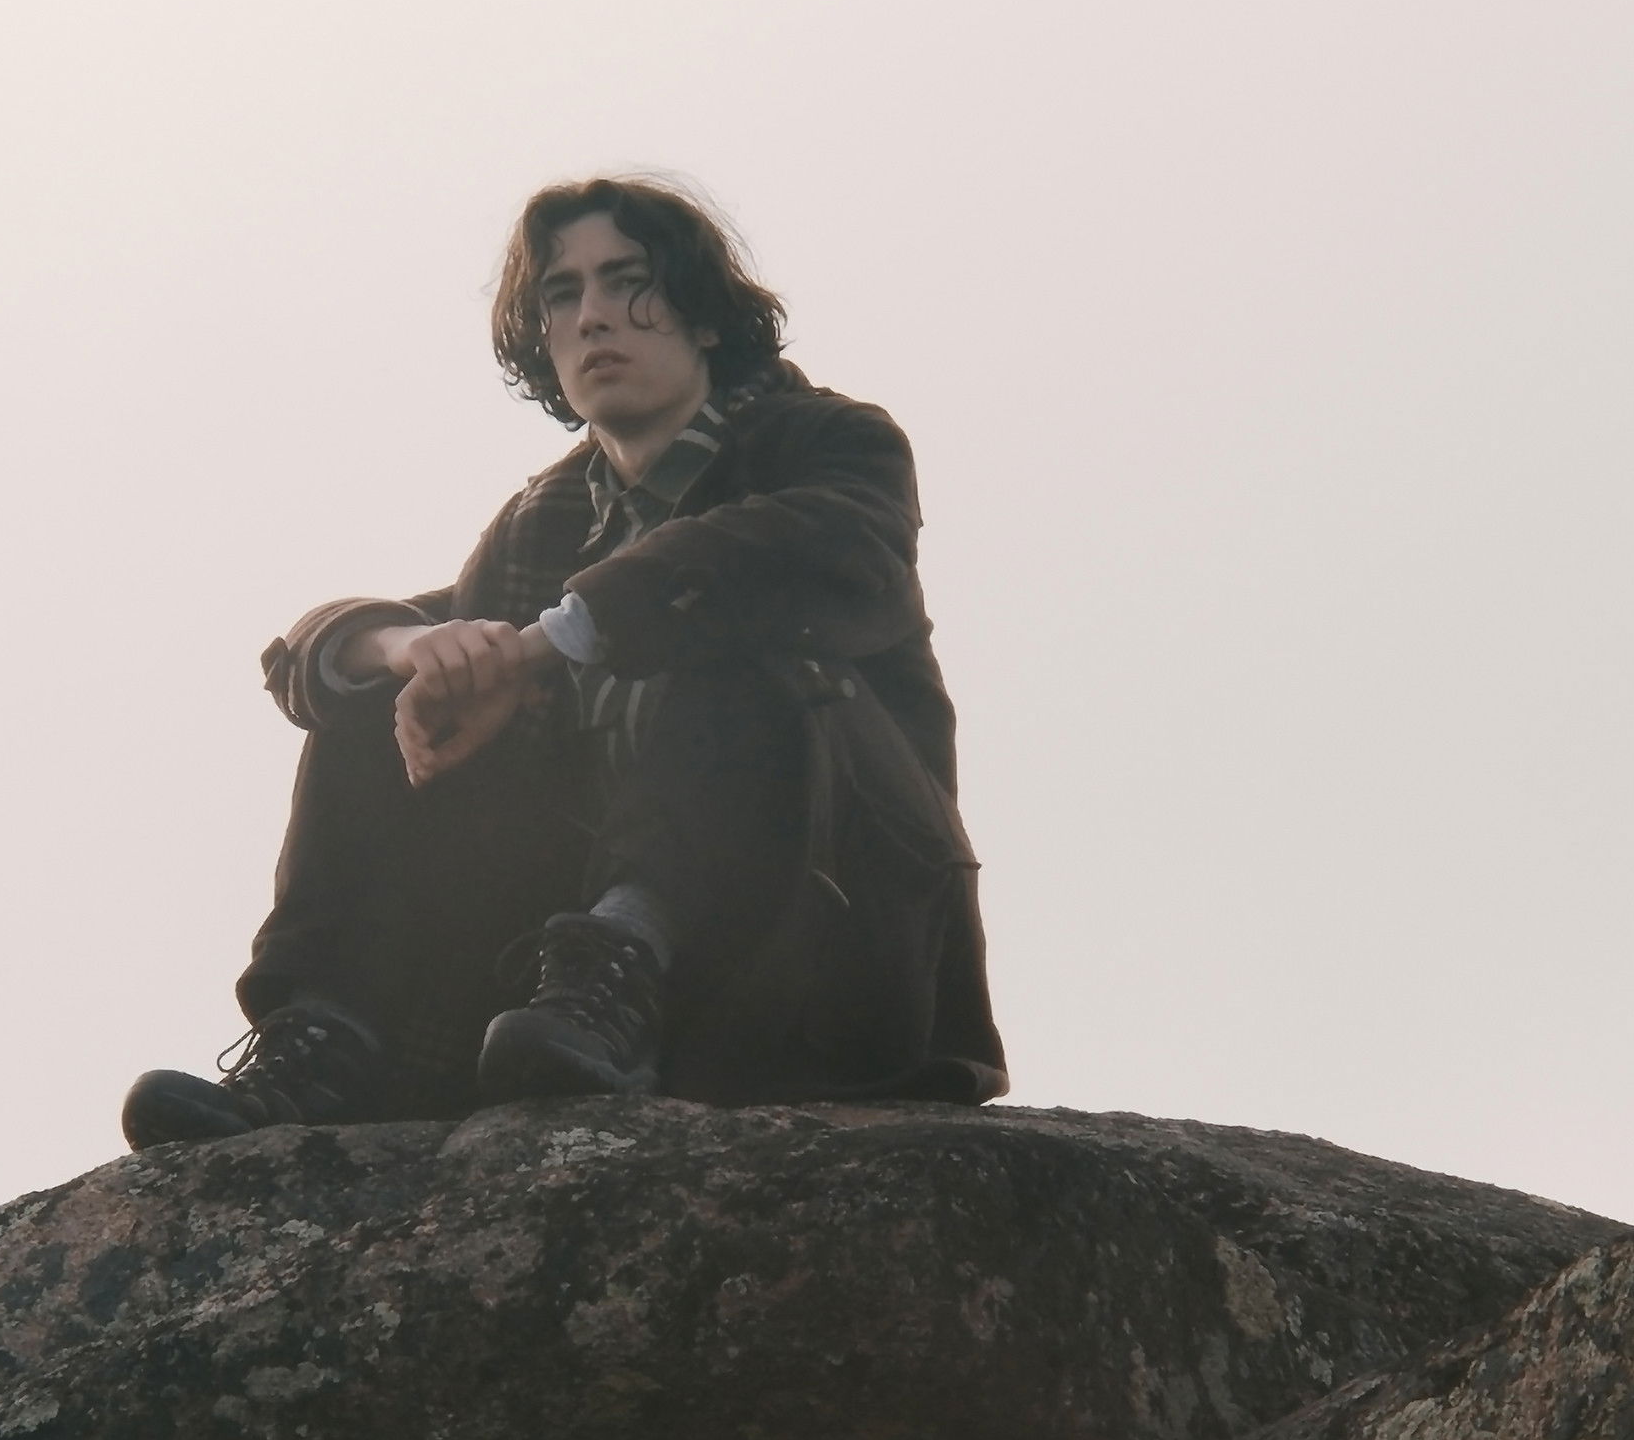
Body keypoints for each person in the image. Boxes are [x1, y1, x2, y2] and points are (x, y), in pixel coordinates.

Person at [125, 179, 1001, 1147]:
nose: (593, 317)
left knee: (720, 627)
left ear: (704, 315)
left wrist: (553, 642)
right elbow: (313, 654)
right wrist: (411, 649)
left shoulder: (832, 446)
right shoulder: (541, 525)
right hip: (555, 1017)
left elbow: (809, 551)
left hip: (815, 956)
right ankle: (326, 1042)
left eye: (629, 282)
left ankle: (620, 958)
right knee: (394, 701)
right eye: (562, 294)